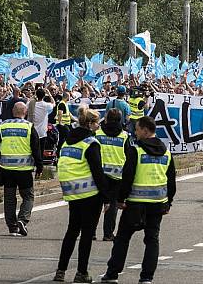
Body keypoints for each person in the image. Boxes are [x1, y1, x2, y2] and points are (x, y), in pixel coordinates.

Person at [99, 115, 176, 284]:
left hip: (134, 203)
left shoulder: (136, 150)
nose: (135, 131)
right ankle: (147, 277)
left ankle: (112, 274)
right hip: (157, 204)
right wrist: (169, 202)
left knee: (122, 238)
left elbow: (127, 176)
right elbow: (171, 180)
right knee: (152, 239)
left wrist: (120, 199)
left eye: (138, 129)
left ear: (146, 131)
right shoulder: (167, 152)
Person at [53, 108, 108, 283]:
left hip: (72, 192)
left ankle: (60, 271)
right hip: (90, 193)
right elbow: (97, 172)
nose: (99, 126)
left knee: (71, 231)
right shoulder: (91, 143)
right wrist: (106, 197)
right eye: (97, 122)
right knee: (87, 234)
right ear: (90, 124)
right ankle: (81, 272)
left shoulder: (68, 141)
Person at [0, 101, 43, 236]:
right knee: (28, 196)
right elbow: (36, 149)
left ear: (13, 112)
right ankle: (23, 219)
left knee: (9, 198)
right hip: (24, 169)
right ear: (25, 113)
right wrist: (39, 166)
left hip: (6, 168)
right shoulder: (29, 127)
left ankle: (12, 226)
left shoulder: (3, 126)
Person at [96, 108, 128, 242]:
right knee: (113, 205)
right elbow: (129, 155)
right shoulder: (124, 136)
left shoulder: (97, 133)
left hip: (99, 173)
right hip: (117, 174)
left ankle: (90, 232)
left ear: (106, 119)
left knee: (96, 203)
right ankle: (108, 234)